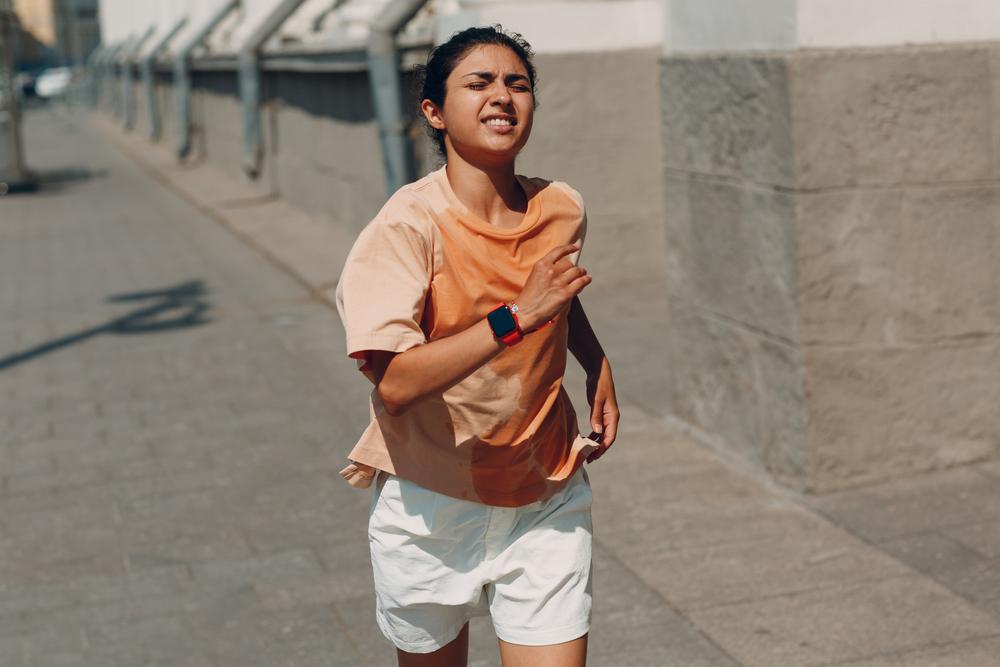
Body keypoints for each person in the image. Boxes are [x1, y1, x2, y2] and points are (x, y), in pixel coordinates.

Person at [335, 25, 619, 667]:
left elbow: (557, 296)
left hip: (545, 488)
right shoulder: (406, 226)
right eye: (479, 83)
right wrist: (515, 317)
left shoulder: (561, 207)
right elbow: (398, 383)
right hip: (432, 501)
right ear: (433, 111)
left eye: (518, 84)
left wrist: (595, 363)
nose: (503, 97)